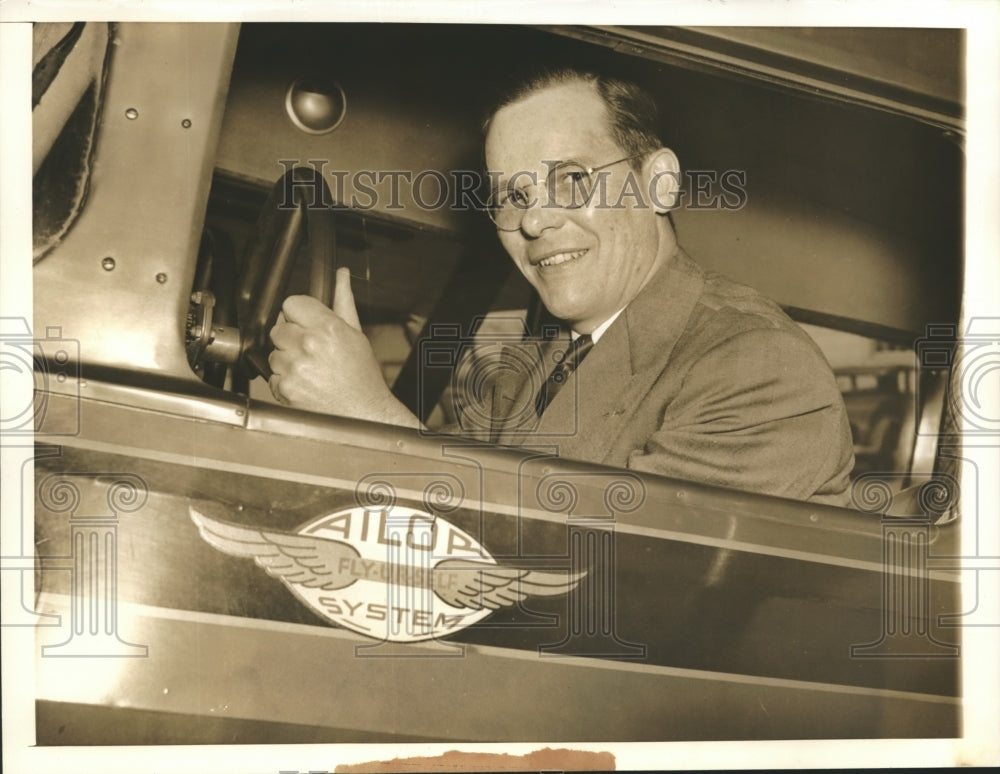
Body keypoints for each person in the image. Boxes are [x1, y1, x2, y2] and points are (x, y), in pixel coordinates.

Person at [267, 69, 855, 506]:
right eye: (513, 197)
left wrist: (367, 414)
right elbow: (462, 483)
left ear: (659, 183)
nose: (534, 220)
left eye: (571, 179)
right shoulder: (542, 360)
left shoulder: (759, 368)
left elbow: (604, 576)